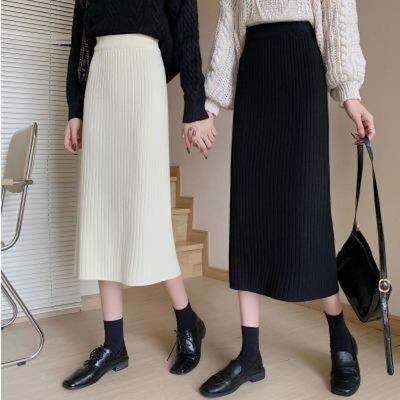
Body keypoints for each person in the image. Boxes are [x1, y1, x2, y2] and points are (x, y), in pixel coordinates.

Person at [185, 0, 375, 397]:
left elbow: (338, 14)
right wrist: (209, 108)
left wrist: (351, 95)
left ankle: (340, 336)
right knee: (249, 214)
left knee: (307, 218)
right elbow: (228, 32)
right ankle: (249, 353)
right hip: (255, 74)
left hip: (301, 71)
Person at [62, 0, 216, 390]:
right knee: (100, 210)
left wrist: (194, 106)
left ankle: (187, 320)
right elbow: (80, 43)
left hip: (144, 75)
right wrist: (75, 109)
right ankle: (113, 344)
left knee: (148, 211)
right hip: (101, 80)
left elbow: (185, 34)